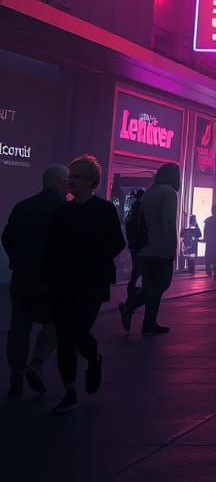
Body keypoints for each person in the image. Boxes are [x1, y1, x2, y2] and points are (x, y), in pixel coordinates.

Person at [43, 156, 125, 415]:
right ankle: (69, 391)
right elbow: (52, 246)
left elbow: (117, 243)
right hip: (63, 282)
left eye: (76, 177)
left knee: (76, 331)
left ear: (92, 181)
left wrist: (95, 259)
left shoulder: (104, 210)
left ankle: (92, 358)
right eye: (71, 176)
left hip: (91, 282)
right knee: (65, 336)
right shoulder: (62, 212)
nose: (71, 181)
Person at [3, 164, 68, 399]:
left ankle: (16, 373)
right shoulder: (65, 210)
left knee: (19, 326)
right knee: (57, 322)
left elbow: (7, 238)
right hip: (51, 280)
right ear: (59, 183)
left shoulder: (22, 206)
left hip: (22, 277)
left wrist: (17, 261)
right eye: (67, 182)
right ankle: (37, 362)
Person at [119, 162, 180, 336]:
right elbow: (168, 222)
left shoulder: (150, 191)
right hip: (160, 247)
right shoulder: (169, 192)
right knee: (161, 284)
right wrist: (172, 246)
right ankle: (132, 309)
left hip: (145, 247)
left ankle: (149, 322)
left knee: (149, 286)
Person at [123, 188, 146, 297]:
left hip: (134, 242)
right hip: (138, 242)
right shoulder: (140, 209)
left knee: (137, 265)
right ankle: (134, 287)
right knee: (139, 265)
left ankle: (133, 286)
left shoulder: (133, 209)